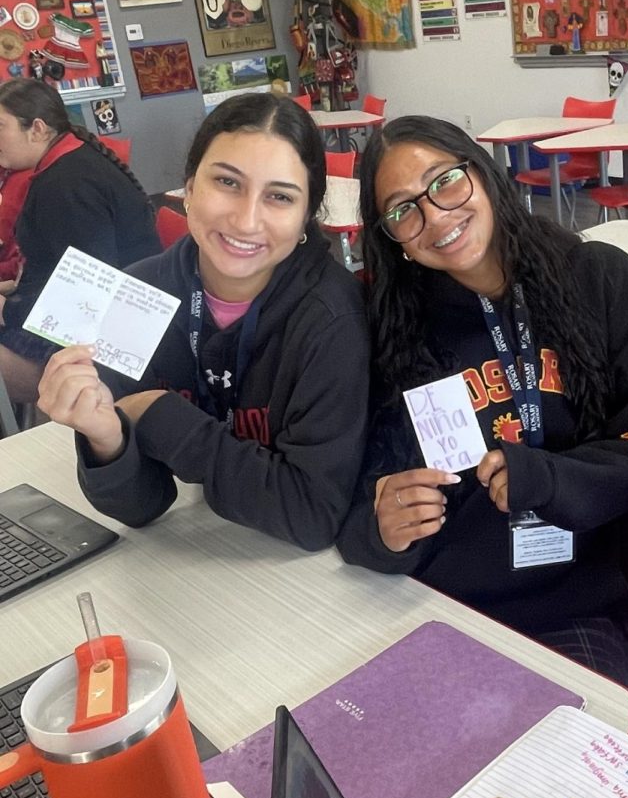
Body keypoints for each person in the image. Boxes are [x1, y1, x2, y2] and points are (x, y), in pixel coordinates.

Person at [336, 115, 628, 735]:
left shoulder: (602, 282)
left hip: (578, 603)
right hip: (438, 608)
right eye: (403, 210)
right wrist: (378, 527)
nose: (435, 218)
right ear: (392, 238)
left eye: (446, 183)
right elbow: (352, 485)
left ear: (482, 173)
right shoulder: (389, 330)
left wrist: (551, 478)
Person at [37, 93, 369, 550]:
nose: (246, 219)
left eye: (279, 196)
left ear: (306, 216)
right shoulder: (136, 297)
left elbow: (310, 514)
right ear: (189, 188)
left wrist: (158, 416)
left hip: (298, 575)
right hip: (195, 557)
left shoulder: (332, 319)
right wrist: (106, 439)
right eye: (227, 183)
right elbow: (144, 507)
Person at [0, 78, 159, 403]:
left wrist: (12, 308)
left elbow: (89, 295)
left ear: (38, 129)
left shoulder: (67, 184)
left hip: (113, 344)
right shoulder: (64, 165)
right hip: (87, 321)